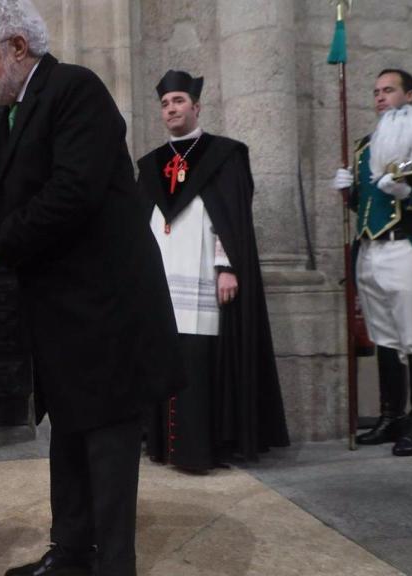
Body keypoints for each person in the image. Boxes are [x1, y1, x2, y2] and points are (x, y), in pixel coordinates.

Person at [0, 2, 182, 575]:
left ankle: (114, 565)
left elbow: (70, 196)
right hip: (65, 312)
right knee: (69, 433)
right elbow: (12, 206)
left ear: (16, 48)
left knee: (106, 439)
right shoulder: (24, 106)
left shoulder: (75, 90)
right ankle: (72, 553)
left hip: (104, 308)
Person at [136, 70, 290, 472]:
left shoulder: (223, 155)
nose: (172, 108)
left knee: (199, 360)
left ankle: (200, 450)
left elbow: (231, 217)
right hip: (162, 279)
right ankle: (163, 446)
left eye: (179, 101)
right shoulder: (152, 164)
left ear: (196, 106)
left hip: (204, 274)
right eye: (166, 103)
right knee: (164, 354)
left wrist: (227, 266)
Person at [331, 68, 412, 456]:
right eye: (375, 92)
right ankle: (391, 418)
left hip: (409, 246)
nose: (380, 97)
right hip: (371, 249)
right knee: (385, 335)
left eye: (388, 90)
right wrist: (350, 191)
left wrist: (410, 191)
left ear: (410, 94)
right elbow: (367, 203)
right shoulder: (364, 146)